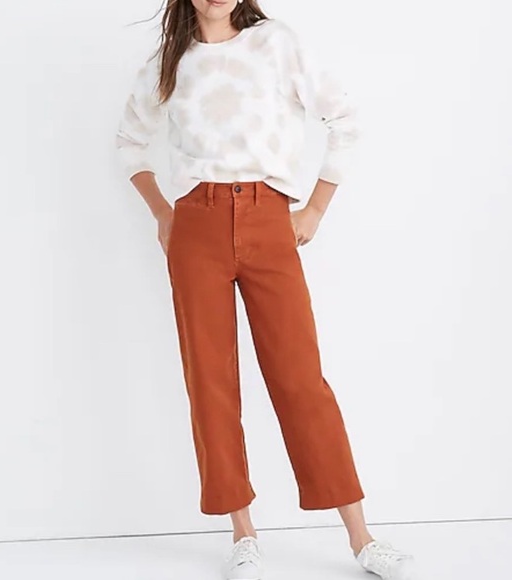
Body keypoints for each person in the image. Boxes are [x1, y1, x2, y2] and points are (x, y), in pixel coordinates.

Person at [115, 1, 416, 579]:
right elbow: (129, 142)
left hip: (268, 218)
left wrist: (316, 208)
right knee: (210, 381)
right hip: (196, 225)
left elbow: (344, 119)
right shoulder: (170, 62)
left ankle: (362, 538)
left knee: (301, 379)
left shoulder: (276, 43)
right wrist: (163, 213)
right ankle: (243, 535)